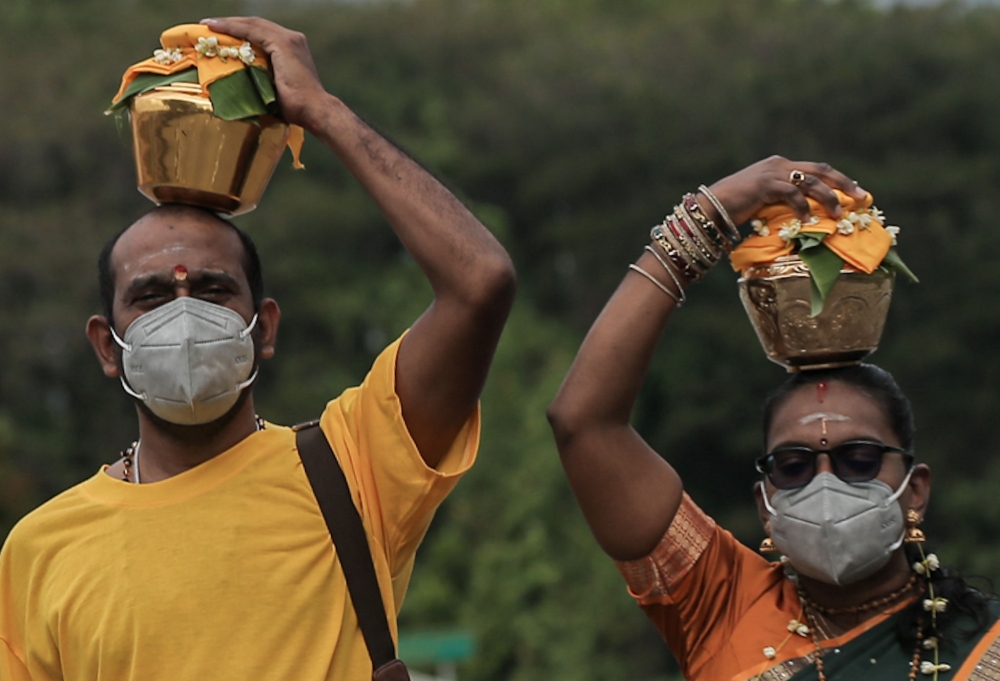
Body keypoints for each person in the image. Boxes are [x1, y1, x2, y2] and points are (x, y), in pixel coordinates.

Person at [0, 16, 515, 681]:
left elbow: (481, 281)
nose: (184, 314)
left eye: (213, 289)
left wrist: (323, 113)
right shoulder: (40, 550)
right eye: (151, 296)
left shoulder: (352, 469)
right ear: (108, 342)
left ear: (264, 326)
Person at [546, 157, 1000, 681]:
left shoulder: (983, 647)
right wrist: (706, 216)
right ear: (765, 501)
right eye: (793, 465)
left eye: (858, 458)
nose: (825, 483)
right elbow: (584, 423)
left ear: (916, 489)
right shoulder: (718, 604)